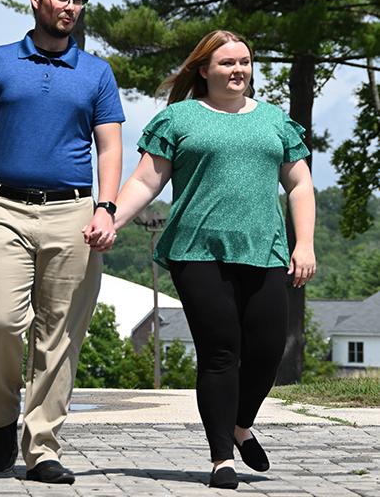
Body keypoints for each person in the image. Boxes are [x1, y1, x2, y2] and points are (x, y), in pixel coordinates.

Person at [86, 30, 316, 490]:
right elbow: (145, 183)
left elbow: (300, 185)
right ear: (204, 70)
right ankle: (221, 458)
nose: (238, 71)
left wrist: (304, 243)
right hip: (197, 252)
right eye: (228, 63)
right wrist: (110, 216)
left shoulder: (274, 121)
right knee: (220, 354)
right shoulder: (179, 119)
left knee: (268, 351)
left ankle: (240, 424)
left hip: (264, 251)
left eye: (245, 62)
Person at [0, 0, 124, 485]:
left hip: (73, 212)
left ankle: (41, 447)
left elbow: (109, 147)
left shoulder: (96, 73)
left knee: (59, 336)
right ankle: (1, 416)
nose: (70, 7)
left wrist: (106, 208)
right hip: (1, 209)